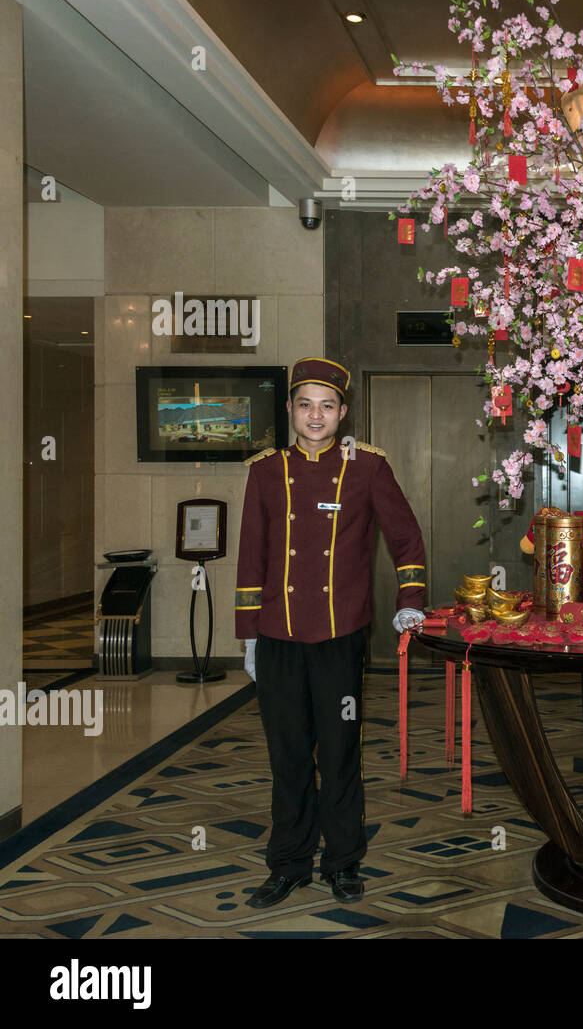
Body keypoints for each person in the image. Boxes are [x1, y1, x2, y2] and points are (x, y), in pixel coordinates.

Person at [235, 357, 427, 907]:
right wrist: (249, 633)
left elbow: (406, 538)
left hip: (341, 635)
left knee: (340, 752)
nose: (314, 416)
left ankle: (343, 862)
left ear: (343, 412)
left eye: (326, 406)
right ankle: (289, 863)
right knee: (287, 754)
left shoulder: (367, 468)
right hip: (278, 636)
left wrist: (409, 600)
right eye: (304, 404)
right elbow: (252, 555)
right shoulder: (265, 470)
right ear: (291, 411)